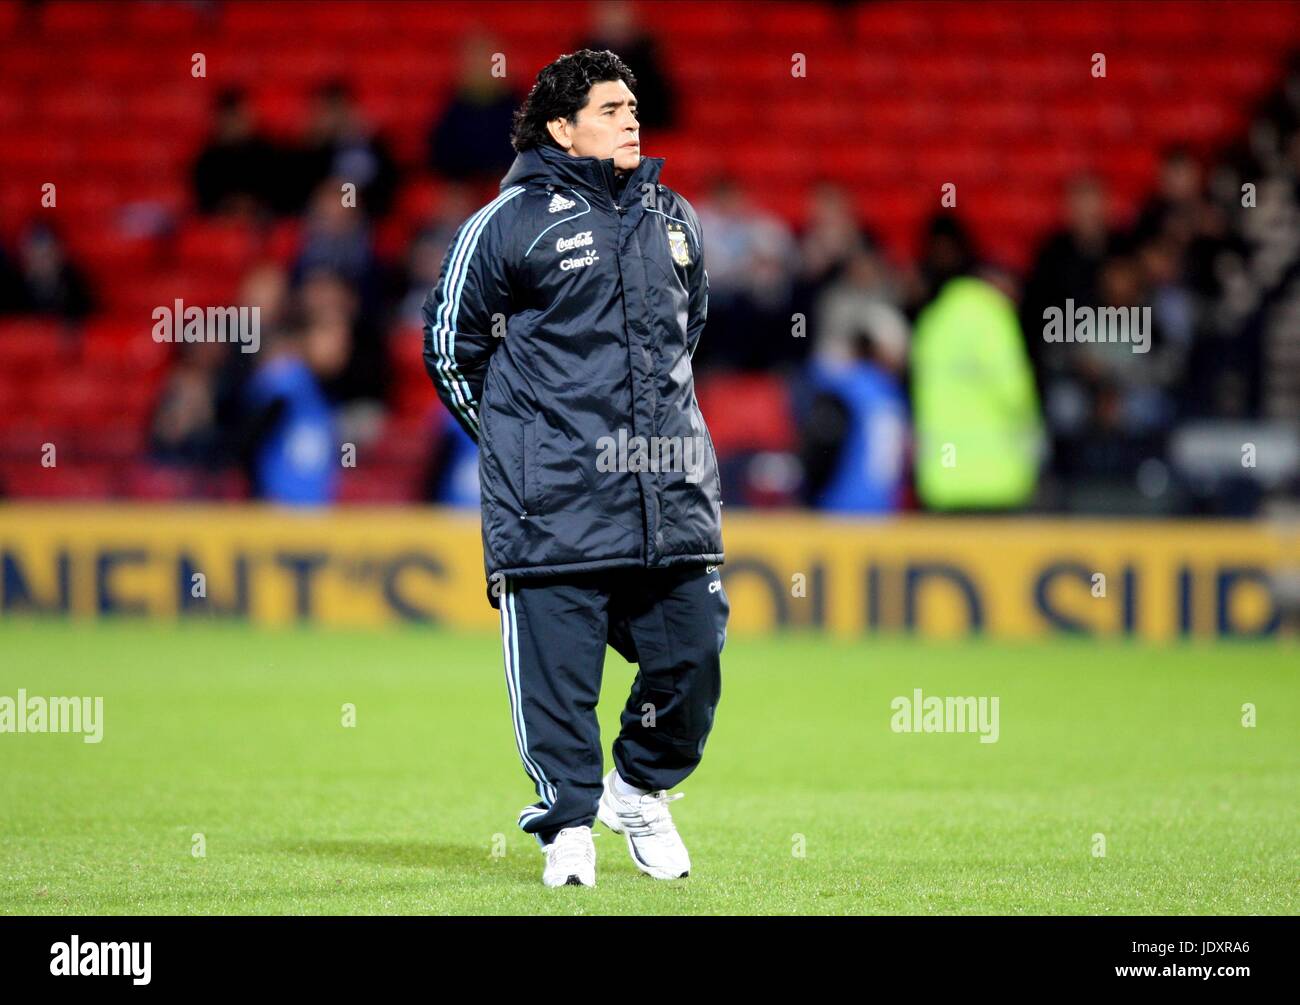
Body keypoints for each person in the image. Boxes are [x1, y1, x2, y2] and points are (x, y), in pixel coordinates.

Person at [422, 50, 728, 888]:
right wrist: (524, 449)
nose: (632, 118)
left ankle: (638, 789)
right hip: (551, 507)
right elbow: (452, 346)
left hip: (668, 494)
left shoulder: (677, 218)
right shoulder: (508, 222)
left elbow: (683, 335)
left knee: (692, 659)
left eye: (634, 105)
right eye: (610, 108)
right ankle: (567, 830)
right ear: (562, 127)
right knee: (561, 687)